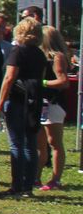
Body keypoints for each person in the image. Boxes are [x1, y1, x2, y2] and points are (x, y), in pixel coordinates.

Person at [0, 18, 50, 196]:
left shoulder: (17, 51)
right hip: (34, 101)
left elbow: (9, 78)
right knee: (30, 144)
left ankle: (16, 185)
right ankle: (28, 185)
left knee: (16, 144)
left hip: (18, 101)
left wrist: (0, 103)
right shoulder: (39, 54)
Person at [37, 26, 72, 192]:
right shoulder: (40, 56)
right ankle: (35, 177)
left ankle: (55, 179)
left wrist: (41, 83)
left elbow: (63, 82)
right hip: (41, 103)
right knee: (40, 143)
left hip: (53, 103)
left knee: (54, 142)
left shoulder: (57, 57)